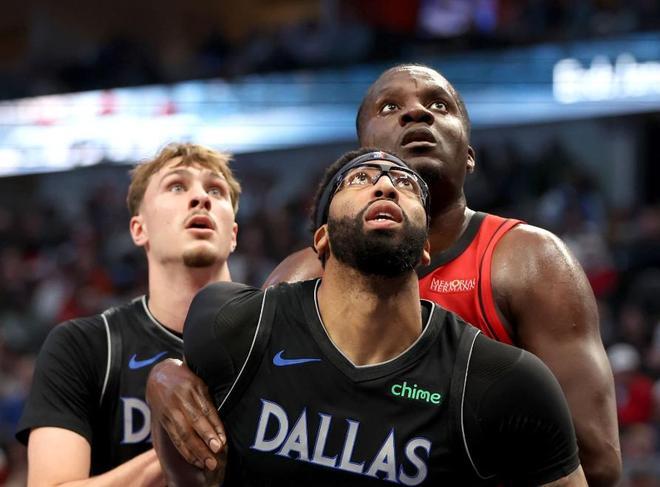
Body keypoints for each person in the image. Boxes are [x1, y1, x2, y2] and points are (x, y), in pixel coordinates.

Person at [147, 64, 621, 486]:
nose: (417, 113)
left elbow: (596, 463)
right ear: (361, 155)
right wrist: (165, 377)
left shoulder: (530, 260)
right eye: (390, 107)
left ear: (469, 155)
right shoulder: (299, 275)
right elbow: (238, 418)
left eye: (439, 105)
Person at [15, 143, 241, 486]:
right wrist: (181, 444)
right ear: (139, 229)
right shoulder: (83, 346)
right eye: (176, 186)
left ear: (233, 234)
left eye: (215, 190)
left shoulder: (278, 336)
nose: (200, 198)